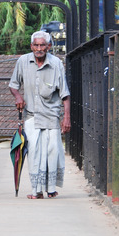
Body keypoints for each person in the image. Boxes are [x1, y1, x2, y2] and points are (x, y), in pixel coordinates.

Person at [9, 30, 71, 199]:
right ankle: (36, 191)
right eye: (36, 45)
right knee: (34, 153)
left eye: (42, 45)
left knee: (53, 152)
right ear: (31, 46)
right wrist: (18, 96)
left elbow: (65, 93)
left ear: (49, 46)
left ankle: (51, 189)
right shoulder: (23, 61)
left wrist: (66, 118)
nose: (39, 48)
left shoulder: (56, 63)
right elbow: (13, 85)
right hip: (31, 115)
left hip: (51, 115)